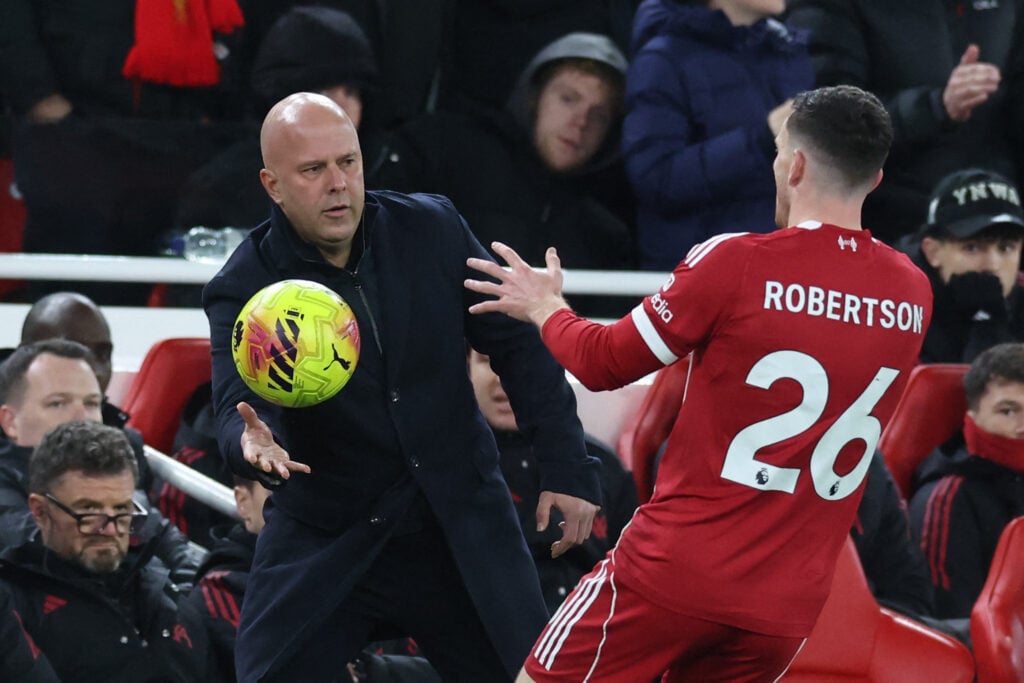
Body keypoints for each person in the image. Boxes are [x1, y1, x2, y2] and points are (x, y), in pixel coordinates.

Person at [466, 84, 934, 682]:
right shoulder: (912, 292)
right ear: (874, 180)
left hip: (673, 574)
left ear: (793, 165)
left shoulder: (737, 262)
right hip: (785, 607)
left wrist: (544, 307)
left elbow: (602, 362)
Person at [203, 92, 602, 682]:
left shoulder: (432, 228)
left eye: (349, 162)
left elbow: (517, 346)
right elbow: (238, 404)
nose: (338, 183)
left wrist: (568, 466)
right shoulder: (245, 285)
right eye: (313, 170)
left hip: (458, 521)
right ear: (273, 184)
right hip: (330, 535)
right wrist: (253, 448)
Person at [375, 32, 637, 318]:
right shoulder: (454, 151)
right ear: (535, 97)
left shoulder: (606, 234)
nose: (581, 122)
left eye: (599, 115)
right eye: (568, 99)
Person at [785, 0, 1024, 245]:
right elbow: (831, 123)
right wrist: (936, 106)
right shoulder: (833, 8)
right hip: (890, 225)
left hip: (997, 222)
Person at [0, 420, 214, 682]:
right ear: (39, 511)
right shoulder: (14, 609)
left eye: (122, 510)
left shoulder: (160, 583)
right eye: (88, 511)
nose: (111, 530)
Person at [624, 0, 813, 270]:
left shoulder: (787, 52)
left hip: (780, 274)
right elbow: (655, 178)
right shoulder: (663, 59)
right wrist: (761, 139)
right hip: (700, 282)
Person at [0, 340, 203, 583]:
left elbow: (171, 546)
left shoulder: (113, 469)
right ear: (10, 421)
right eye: (58, 403)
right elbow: (51, 558)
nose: (82, 417)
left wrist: (187, 603)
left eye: (92, 403)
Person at [468, 348, 638, 611]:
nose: (502, 376)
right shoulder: (445, 469)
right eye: (488, 362)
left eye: (522, 357)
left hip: (589, 635)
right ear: (467, 367)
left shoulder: (602, 467)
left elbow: (633, 579)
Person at [909, 342, 1024, 620]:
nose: (1023, 426)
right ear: (972, 417)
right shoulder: (949, 500)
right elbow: (951, 626)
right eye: (1007, 411)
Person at [897, 168, 1024, 363]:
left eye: (1006, 248)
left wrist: (989, 321)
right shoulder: (895, 302)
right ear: (933, 252)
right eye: (972, 248)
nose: (992, 265)